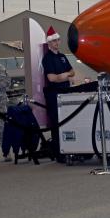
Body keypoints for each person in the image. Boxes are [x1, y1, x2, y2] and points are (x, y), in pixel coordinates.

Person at [41, 26, 75, 157]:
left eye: (58, 40)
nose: (57, 43)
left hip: (66, 93)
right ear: (49, 43)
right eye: (54, 40)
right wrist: (63, 76)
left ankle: (68, 147)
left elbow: (72, 72)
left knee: (67, 121)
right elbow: (52, 78)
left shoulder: (62, 57)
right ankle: (58, 152)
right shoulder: (47, 58)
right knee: (57, 123)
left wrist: (64, 75)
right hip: (54, 95)